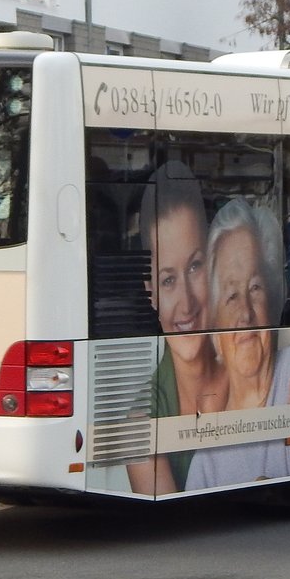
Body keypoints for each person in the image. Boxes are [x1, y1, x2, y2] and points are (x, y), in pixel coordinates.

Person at [184, 198, 290, 490]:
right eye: (231, 296)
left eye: (255, 287)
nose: (245, 313)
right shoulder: (206, 459)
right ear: (214, 328)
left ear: (271, 297)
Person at [126, 162, 228, 496]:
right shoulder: (142, 424)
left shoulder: (257, 363)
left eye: (195, 266)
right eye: (168, 280)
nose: (186, 304)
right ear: (149, 290)